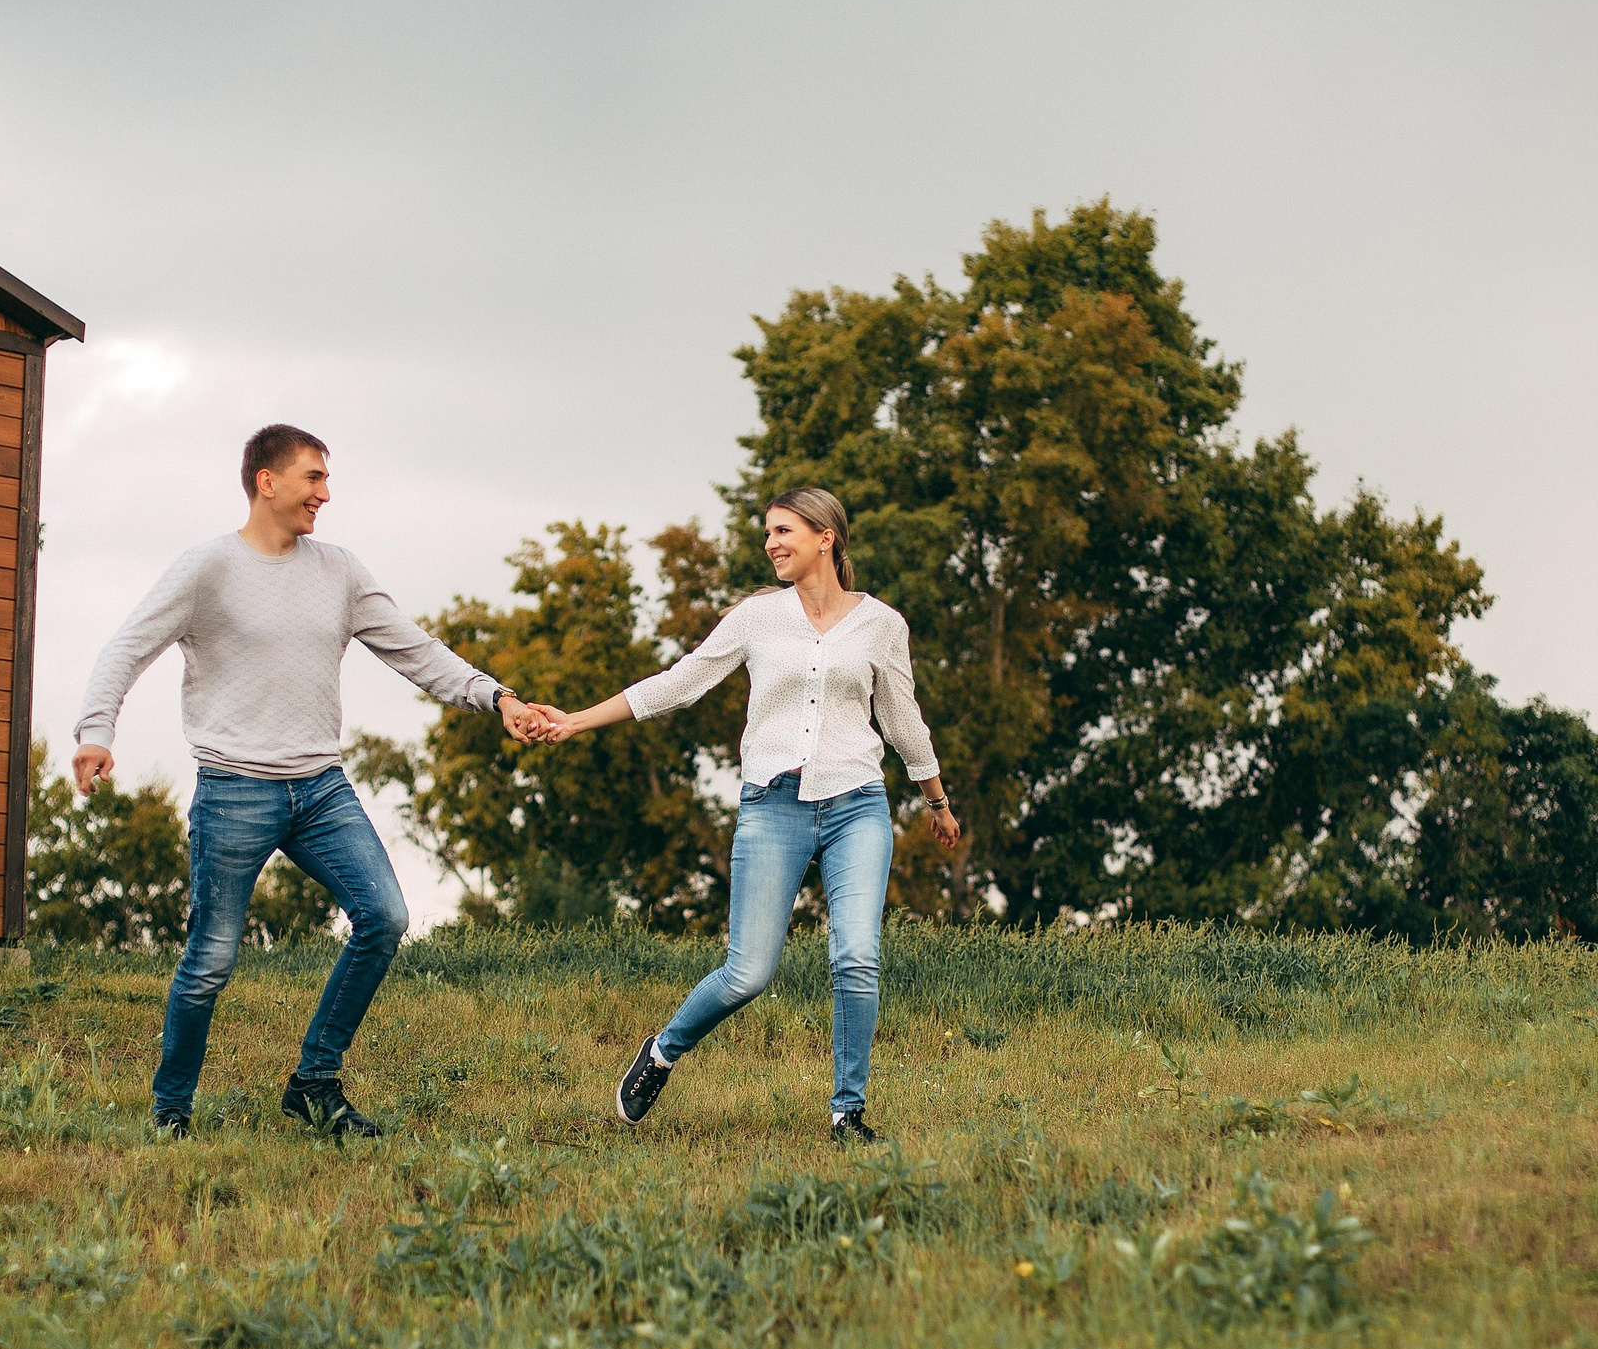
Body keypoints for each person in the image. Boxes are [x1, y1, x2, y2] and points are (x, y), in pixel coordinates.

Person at [71, 423, 551, 1140]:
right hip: (234, 788)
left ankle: (314, 1083)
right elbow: (127, 646)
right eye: (313, 478)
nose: (325, 494)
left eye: (326, 480)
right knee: (211, 960)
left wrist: (498, 696)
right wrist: (94, 732)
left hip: (320, 788)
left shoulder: (339, 572)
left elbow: (416, 651)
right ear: (267, 481)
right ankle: (171, 1111)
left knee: (384, 917)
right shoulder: (207, 568)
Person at [539, 488, 960, 1143]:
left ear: (827, 536)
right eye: (768, 532)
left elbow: (903, 718)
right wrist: (576, 721)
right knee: (749, 971)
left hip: (856, 804)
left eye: (784, 530)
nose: (771, 543)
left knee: (855, 956)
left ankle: (847, 1112)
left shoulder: (882, 623)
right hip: (773, 804)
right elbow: (679, 682)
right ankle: (661, 1053)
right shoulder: (757, 617)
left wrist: (935, 799)